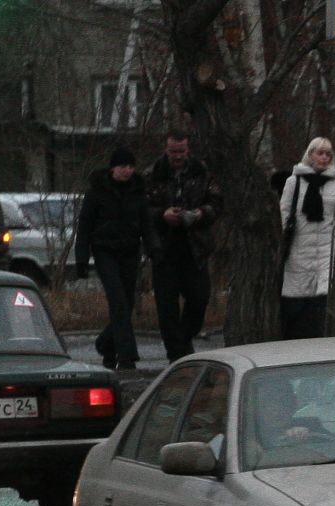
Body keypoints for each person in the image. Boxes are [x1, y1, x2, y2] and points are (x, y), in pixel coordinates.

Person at [145, 130, 223, 361]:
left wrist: (200, 213)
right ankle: (177, 355)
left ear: (188, 149)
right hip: (164, 249)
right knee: (167, 308)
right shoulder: (153, 174)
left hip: (195, 247)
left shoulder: (202, 172)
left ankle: (182, 342)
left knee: (199, 298)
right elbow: (140, 209)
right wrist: (162, 214)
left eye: (181, 151)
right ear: (166, 150)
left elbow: (218, 203)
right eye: (173, 152)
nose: (177, 156)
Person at [72, 147, 150, 371]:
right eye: (123, 166)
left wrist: (154, 247)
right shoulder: (96, 193)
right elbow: (85, 227)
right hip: (105, 252)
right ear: (113, 168)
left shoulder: (137, 192)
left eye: (130, 166)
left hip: (130, 252)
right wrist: (81, 259)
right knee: (118, 302)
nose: (127, 170)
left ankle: (106, 344)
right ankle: (127, 357)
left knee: (126, 304)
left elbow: (146, 223)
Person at [277, 138, 335, 340]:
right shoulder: (294, 181)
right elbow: (284, 211)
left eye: (328, 154)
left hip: (325, 252)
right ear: (310, 154)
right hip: (298, 250)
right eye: (320, 153)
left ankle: (318, 343)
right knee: (297, 305)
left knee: (321, 304)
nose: (324, 158)